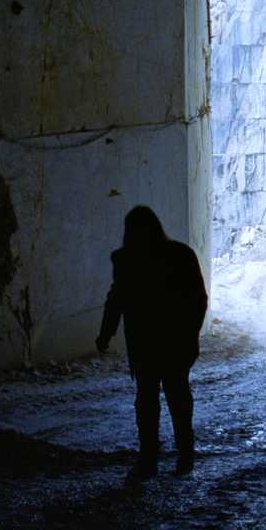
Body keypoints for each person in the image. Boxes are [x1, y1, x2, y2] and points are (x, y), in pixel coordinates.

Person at [96, 205, 209, 481]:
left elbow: (117, 299)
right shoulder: (181, 254)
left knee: (147, 401)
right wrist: (191, 334)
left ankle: (148, 460)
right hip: (175, 342)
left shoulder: (125, 259)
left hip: (144, 343)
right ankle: (185, 456)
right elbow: (198, 299)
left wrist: (106, 333)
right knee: (178, 398)